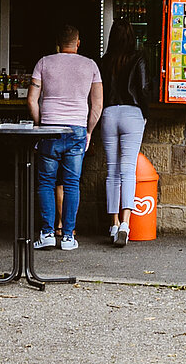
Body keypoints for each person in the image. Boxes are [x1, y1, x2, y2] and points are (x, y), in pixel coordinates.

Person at [28, 23, 103, 252]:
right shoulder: (90, 65)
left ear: (58, 44)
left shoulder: (43, 62)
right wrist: (88, 131)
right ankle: (68, 237)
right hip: (76, 130)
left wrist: (41, 124)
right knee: (71, 184)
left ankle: (48, 233)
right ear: (78, 42)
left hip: (50, 128)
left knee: (46, 182)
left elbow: (31, 100)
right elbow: (97, 104)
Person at [99, 28, 151, 245]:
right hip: (132, 113)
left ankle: (113, 223)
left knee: (112, 170)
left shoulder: (104, 61)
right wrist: (145, 115)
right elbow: (144, 89)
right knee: (128, 170)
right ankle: (126, 224)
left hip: (109, 113)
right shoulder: (138, 58)